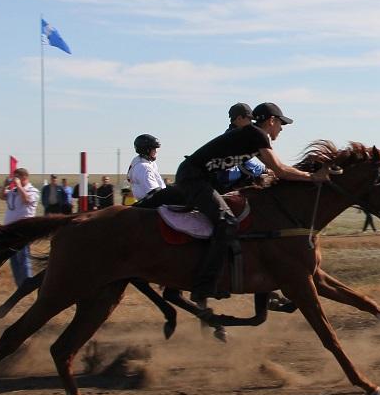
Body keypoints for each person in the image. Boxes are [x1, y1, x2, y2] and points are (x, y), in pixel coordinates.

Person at [138, 102, 330, 313]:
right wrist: (313, 177)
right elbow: (281, 169)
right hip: (195, 178)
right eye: (281, 124)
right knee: (226, 221)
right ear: (271, 121)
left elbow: (269, 170)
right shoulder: (258, 135)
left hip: (200, 178)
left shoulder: (252, 136)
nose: (282, 129)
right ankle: (205, 285)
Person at [0, 167, 40, 287]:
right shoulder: (14, 191)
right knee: (14, 260)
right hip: (10, 230)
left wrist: (19, 186)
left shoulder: (33, 191)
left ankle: (27, 285)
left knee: (23, 258)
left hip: (23, 230)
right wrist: (5, 186)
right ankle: (20, 286)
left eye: (17, 177)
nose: (15, 179)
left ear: (24, 177)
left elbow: (26, 200)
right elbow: (1, 196)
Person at [128, 134, 166, 201]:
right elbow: (154, 192)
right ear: (146, 150)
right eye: (154, 149)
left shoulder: (149, 163)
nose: (156, 151)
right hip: (152, 202)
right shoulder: (143, 167)